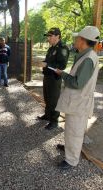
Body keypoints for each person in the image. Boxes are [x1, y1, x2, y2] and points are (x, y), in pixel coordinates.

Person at [54, 26, 100, 170]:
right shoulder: (85, 54)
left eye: (77, 38)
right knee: (72, 129)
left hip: (79, 102)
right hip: (77, 102)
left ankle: (71, 160)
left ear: (83, 40)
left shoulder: (87, 59)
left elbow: (77, 83)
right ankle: (70, 148)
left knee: (74, 131)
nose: (75, 40)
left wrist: (62, 74)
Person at [37, 27, 69, 130]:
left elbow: (61, 66)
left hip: (55, 78)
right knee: (47, 97)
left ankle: (54, 121)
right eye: (48, 36)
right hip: (47, 76)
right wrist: (44, 63)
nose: (48, 38)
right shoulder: (51, 48)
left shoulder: (63, 48)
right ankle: (47, 115)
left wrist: (46, 64)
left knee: (54, 100)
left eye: (50, 36)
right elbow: (48, 61)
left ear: (57, 36)